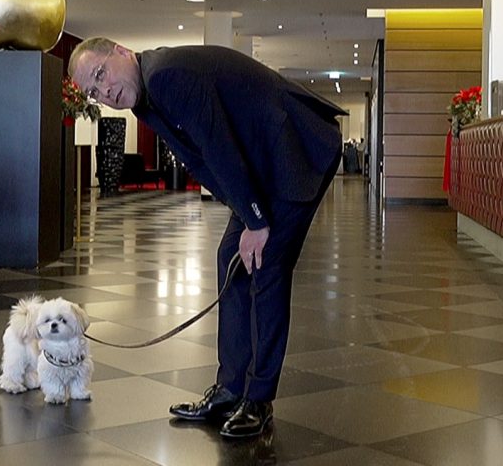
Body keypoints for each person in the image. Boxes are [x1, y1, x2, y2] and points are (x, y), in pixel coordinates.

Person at [68, 38, 343, 438]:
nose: (104, 91)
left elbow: (218, 147)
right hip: (261, 160)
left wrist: (255, 221)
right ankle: (232, 389)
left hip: (295, 150)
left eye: (100, 74)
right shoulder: (145, 97)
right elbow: (198, 159)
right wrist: (244, 212)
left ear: (121, 52)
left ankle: (259, 399)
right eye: (94, 92)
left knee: (265, 267)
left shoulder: (166, 75)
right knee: (230, 258)